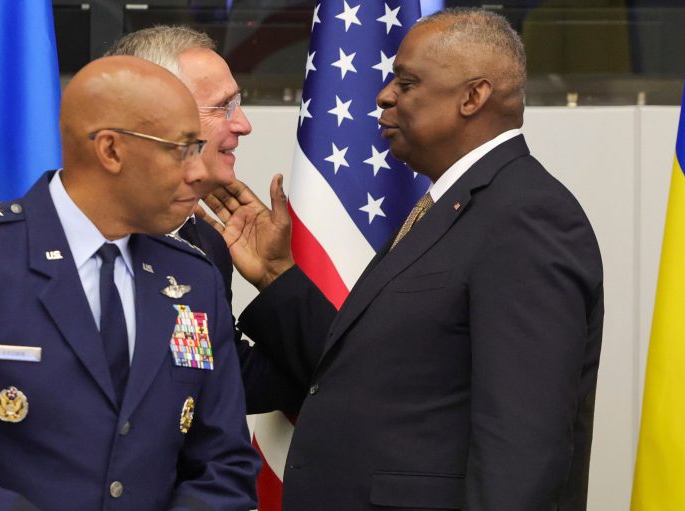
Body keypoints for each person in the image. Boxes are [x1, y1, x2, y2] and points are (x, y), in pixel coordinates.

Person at [206, 8, 604, 511]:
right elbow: (371, 369)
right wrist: (277, 276)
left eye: (407, 82)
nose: (384, 95)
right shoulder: (449, 206)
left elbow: (523, 444)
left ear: (472, 96)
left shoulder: (526, 216)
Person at [0, 56, 260, 511]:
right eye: (181, 149)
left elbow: (225, 463)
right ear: (111, 151)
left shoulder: (194, 278)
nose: (198, 172)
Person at [107, 26, 304, 413]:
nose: (244, 124)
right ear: (153, 115)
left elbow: (231, 383)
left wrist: (277, 276)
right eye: (223, 107)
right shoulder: (23, 245)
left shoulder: (204, 245)